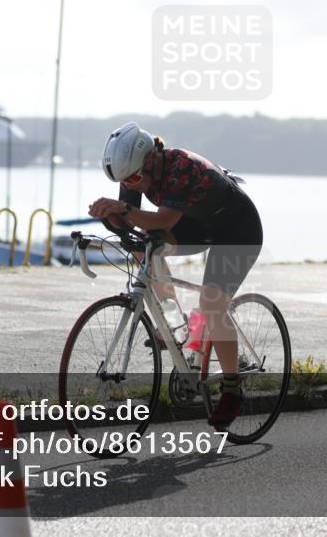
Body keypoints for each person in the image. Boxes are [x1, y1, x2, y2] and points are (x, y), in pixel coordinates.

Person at [88, 121, 263, 430]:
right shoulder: (134, 171)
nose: (133, 185)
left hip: (237, 229)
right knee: (144, 249)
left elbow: (163, 219)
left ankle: (232, 389)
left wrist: (122, 210)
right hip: (198, 224)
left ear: (151, 159)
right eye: (125, 181)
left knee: (211, 303)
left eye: (135, 178)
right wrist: (110, 216)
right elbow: (136, 226)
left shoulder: (180, 166)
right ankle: (175, 322)